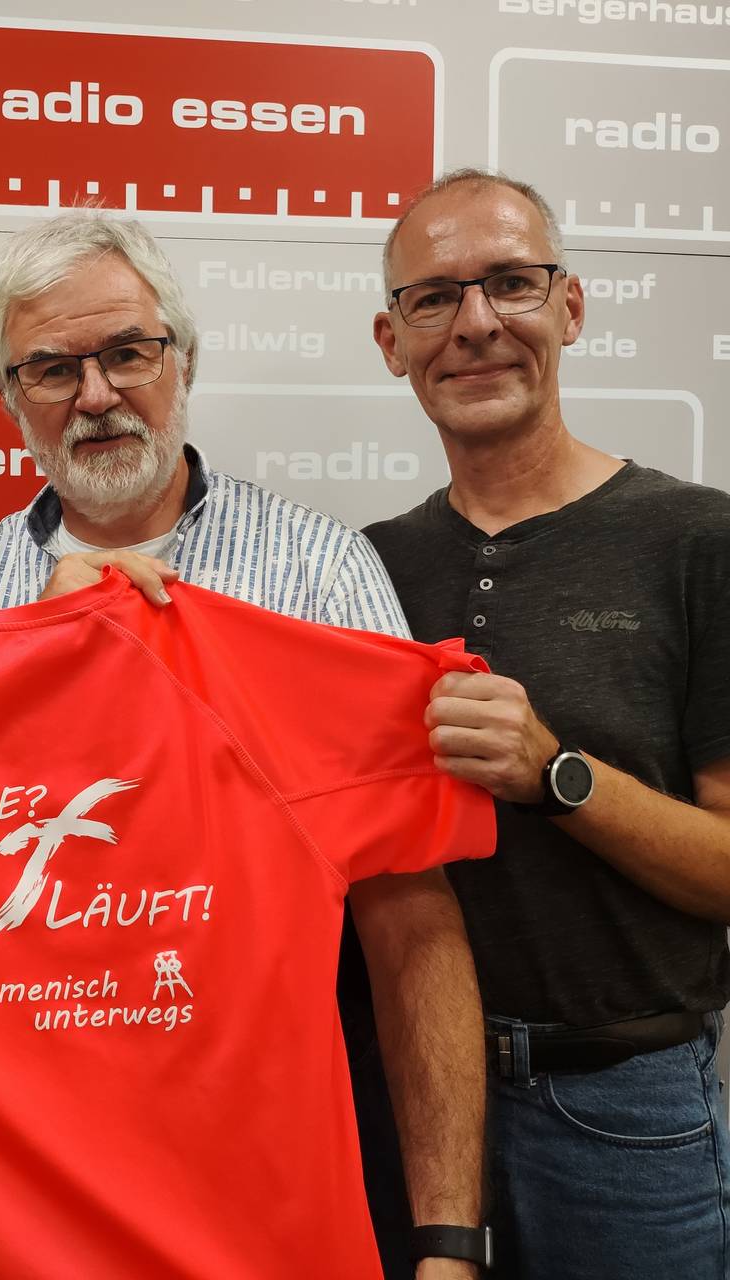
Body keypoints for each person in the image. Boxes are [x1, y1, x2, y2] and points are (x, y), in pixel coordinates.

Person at [0, 209, 490, 1279]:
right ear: (10, 400)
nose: (95, 394)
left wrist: (448, 1241)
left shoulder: (320, 573)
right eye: (50, 369)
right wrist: (21, 651)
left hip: (264, 1177)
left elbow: (408, 913)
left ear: (182, 360)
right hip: (29, 1187)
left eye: (127, 352)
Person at [365, 168, 730, 1280]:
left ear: (568, 307)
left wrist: (557, 772)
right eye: (434, 297)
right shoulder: (363, 568)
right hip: (407, 1107)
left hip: (626, 1116)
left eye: (510, 283)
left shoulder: (695, 542)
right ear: (391, 340)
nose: (475, 323)